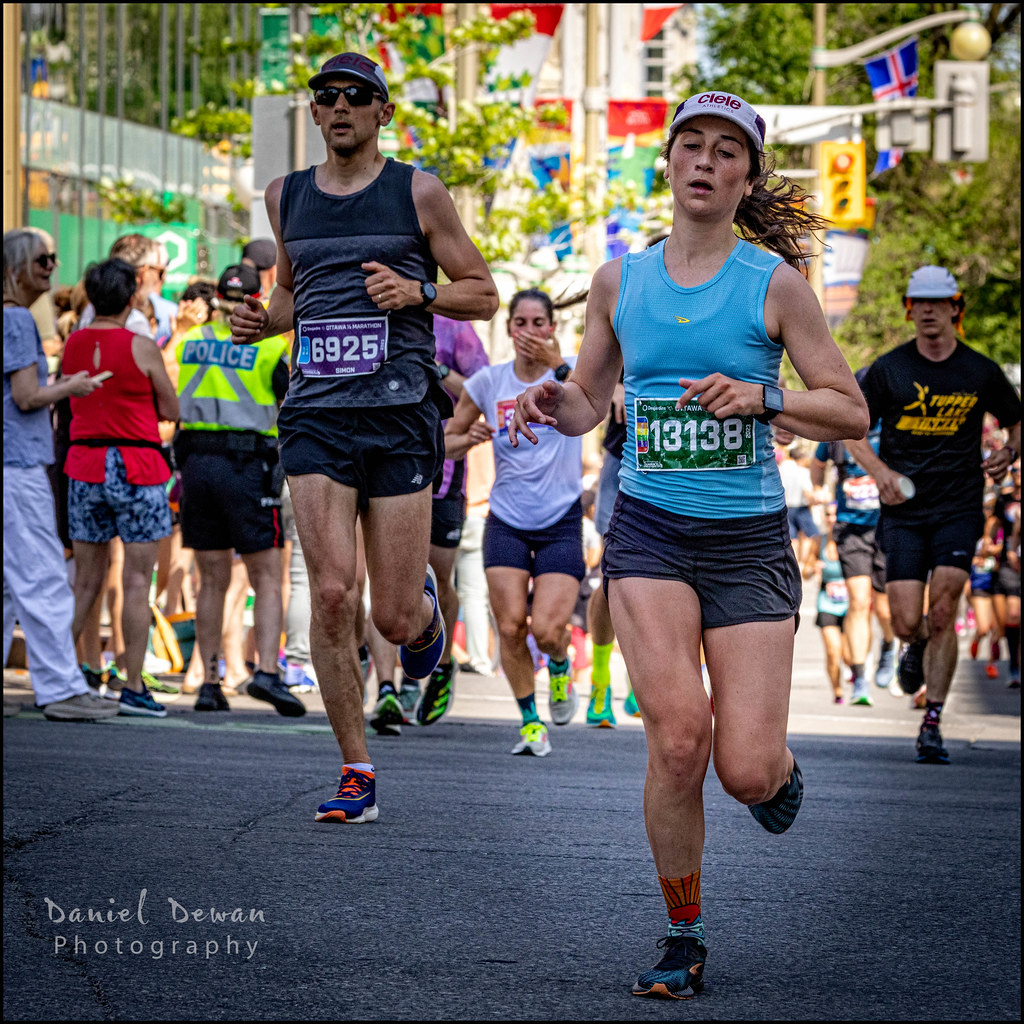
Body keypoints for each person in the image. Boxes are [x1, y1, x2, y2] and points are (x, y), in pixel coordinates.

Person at [509, 90, 869, 999]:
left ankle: (779, 772)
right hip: (651, 534)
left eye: (727, 151)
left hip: (747, 542)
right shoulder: (618, 281)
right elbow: (591, 401)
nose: (706, 162)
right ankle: (683, 931)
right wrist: (556, 402)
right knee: (677, 742)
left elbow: (849, 408)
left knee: (745, 769)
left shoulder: (774, 283)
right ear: (666, 164)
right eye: (691, 146)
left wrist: (766, 398)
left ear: (747, 176)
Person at [228, 51, 498, 823]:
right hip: (315, 413)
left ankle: (423, 611)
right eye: (326, 96)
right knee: (334, 593)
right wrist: (261, 322)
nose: (340, 106)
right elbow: (288, 295)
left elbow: (483, 291)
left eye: (357, 96)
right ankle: (356, 769)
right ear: (313, 113)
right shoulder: (287, 197)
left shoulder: (418, 190)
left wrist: (419, 291)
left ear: (383, 112)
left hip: (399, 413)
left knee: (391, 618)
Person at [845, 265, 1020, 764]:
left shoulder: (979, 370)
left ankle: (932, 721)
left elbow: (1015, 422)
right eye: (917, 302)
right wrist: (879, 471)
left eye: (935, 302)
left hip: (959, 505)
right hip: (902, 508)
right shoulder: (890, 369)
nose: (925, 310)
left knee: (943, 608)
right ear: (909, 309)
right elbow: (852, 426)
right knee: (905, 619)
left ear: (953, 308)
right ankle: (912, 646)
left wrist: (1009, 452)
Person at [446, 289, 584, 755]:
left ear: (552, 328)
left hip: (561, 516)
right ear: (508, 329)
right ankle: (530, 721)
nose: (529, 332)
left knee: (547, 630)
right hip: (506, 517)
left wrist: (559, 363)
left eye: (538, 322)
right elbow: (445, 442)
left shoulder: (570, 376)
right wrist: (467, 440)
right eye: (520, 323)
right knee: (509, 628)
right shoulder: (487, 383)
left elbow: (599, 407)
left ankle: (560, 666)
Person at [3, 228, 116, 721]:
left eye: (52, 258)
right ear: (17, 268)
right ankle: (61, 688)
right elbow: (27, 397)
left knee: (9, 584)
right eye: (41, 260)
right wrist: (72, 385)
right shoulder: (18, 322)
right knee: (45, 576)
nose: (51, 267)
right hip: (19, 464)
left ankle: (61, 686)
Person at [174, 263, 297, 715]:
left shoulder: (190, 342)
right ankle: (266, 670)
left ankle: (208, 680)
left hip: (197, 464)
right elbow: (291, 405)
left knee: (210, 581)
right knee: (266, 576)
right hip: (248, 467)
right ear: (256, 298)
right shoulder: (268, 349)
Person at [63, 259, 180, 717]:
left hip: (86, 463)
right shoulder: (142, 345)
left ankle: (58, 675)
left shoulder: (73, 343)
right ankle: (133, 685)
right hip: (137, 464)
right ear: (132, 295)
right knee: (136, 581)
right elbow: (169, 407)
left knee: (85, 582)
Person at [810, 380, 897, 705]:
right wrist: (818, 489)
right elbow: (818, 465)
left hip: (888, 527)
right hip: (851, 530)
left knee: (888, 609)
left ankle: (889, 645)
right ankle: (860, 678)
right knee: (859, 602)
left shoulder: (890, 431)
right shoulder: (838, 433)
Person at [815, 504, 851, 704]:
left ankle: (855, 671)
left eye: (835, 514)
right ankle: (837, 691)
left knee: (848, 654)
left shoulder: (850, 540)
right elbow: (805, 571)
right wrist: (813, 569)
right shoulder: (818, 541)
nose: (832, 518)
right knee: (832, 650)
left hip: (850, 605)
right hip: (826, 603)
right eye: (828, 514)